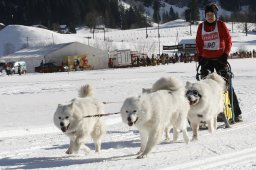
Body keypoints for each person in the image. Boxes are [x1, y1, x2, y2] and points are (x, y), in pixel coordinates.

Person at [196, 3, 242, 122]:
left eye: (212, 14)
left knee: (226, 85)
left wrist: (226, 54)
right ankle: (207, 114)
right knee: (205, 87)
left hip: (220, 59)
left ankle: (236, 113)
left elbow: (228, 40)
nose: (210, 17)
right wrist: (200, 57)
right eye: (208, 15)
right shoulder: (201, 27)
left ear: (215, 15)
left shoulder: (220, 25)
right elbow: (199, 44)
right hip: (206, 60)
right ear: (205, 15)